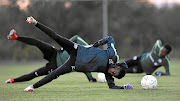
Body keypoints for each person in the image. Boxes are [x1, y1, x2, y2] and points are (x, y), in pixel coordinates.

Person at [7, 16, 133, 92]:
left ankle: (32, 87)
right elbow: (110, 38)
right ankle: (35, 22)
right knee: (56, 37)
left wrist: (123, 87)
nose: (111, 74)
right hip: (77, 49)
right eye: (114, 73)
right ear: (116, 66)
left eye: (113, 75)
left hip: (74, 64)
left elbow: (112, 87)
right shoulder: (113, 55)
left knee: (54, 74)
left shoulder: (107, 72)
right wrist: (95, 44)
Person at [6, 35, 97, 84]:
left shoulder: (83, 63)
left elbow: (87, 71)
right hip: (54, 53)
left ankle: (13, 80)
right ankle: (16, 37)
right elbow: (76, 37)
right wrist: (89, 46)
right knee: (38, 42)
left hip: (55, 67)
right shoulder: (78, 49)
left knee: (35, 74)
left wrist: (92, 79)